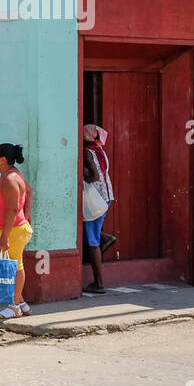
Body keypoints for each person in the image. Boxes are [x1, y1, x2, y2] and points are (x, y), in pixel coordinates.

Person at [0, 142, 34, 318]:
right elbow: (30, 191)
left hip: (12, 230)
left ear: (3, 160)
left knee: (14, 267)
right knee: (10, 265)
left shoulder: (10, 179)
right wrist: (28, 213)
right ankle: (21, 303)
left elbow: (13, 209)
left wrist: (5, 237)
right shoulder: (10, 175)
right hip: (11, 229)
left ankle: (14, 306)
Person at [82, 123, 117, 294]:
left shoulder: (87, 152)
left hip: (94, 200)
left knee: (92, 242)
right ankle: (107, 237)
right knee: (92, 233)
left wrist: (82, 179)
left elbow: (94, 176)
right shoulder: (100, 150)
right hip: (106, 197)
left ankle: (99, 283)